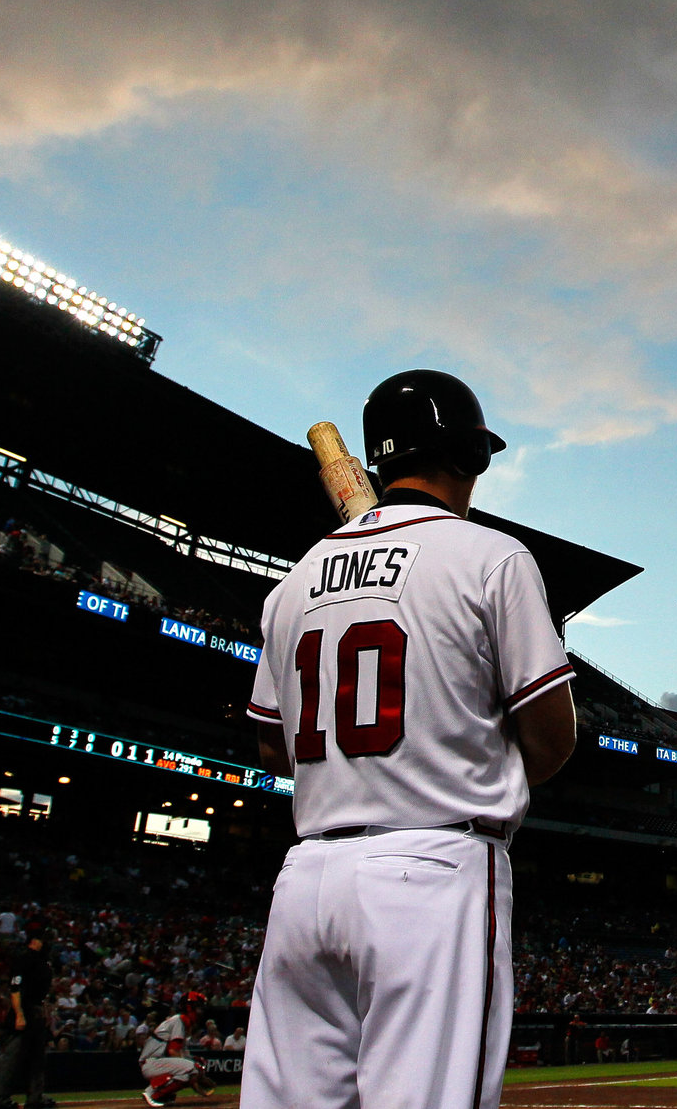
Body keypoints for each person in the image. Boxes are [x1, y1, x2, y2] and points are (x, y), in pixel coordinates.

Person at [241, 371, 578, 1109]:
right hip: (433, 869)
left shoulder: (292, 582)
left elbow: (274, 748)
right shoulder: (491, 556)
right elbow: (553, 738)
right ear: (469, 457)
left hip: (305, 885)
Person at [0, 927, 57, 1109]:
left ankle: (35, 1097)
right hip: (24, 1012)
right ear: (33, 940)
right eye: (43, 939)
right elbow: (15, 988)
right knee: (11, 1059)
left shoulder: (43, 961)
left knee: (37, 1059)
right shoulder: (24, 958)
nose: (47, 943)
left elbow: (41, 992)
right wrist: (19, 1015)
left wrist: (45, 1011)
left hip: (37, 1012)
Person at [140, 992, 218, 1105]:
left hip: (158, 1063)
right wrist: (196, 1078)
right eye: (198, 1007)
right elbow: (173, 1051)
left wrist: (199, 1075)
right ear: (190, 1007)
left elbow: (182, 1054)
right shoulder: (179, 1020)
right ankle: (153, 1094)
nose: (201, 1011)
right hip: (152, 1063)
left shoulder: (182, 1022)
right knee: (192, 1068)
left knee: (194, 1066)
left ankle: (163, 1095)